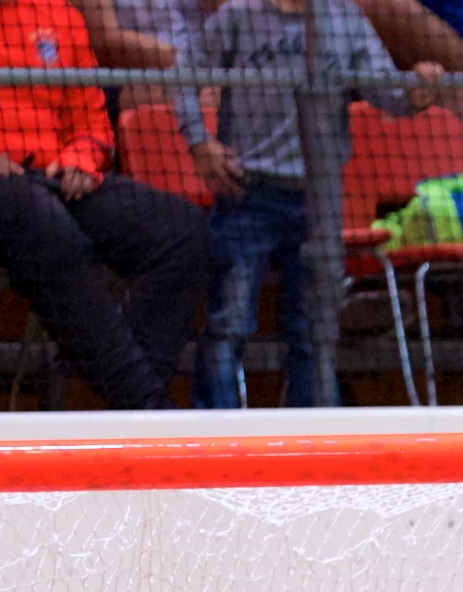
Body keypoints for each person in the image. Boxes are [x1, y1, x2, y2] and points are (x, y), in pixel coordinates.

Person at [0, 0, 213, 410]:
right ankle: (147, 406)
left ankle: (126, 397)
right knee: (42, 220)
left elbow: (92, 120)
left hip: (48, 179)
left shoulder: (58, 13)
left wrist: (81, 159)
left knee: (182, 230)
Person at [182, 0, 443, 408]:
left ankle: (318, 430)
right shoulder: (239, 13)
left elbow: (387, 92)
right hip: (245, 196)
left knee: (314, 330)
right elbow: (182, 73)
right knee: (227, 326)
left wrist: (415, 93)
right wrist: (198, 142)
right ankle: (216, 431)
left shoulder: (345, 17)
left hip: (319, 201)